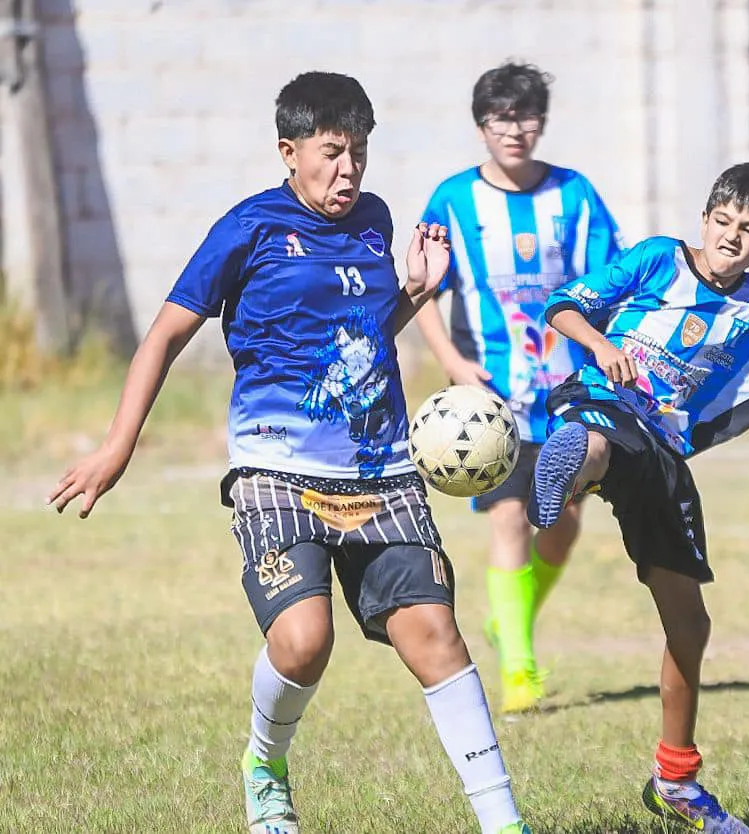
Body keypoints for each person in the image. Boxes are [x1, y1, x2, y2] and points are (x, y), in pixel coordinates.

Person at [47, 71, 532, 834]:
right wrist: (118, 445)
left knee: (436, 636)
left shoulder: (374, 220)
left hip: (380, 471)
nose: (349, 171)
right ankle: (264, 767)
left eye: (360, 153)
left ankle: (506, 823)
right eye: (333, 152)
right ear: (289, 151)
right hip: (276, 467)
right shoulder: (248, 228)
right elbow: (166, 335)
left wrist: (417, 290)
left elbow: (366, 334)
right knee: (304, 642)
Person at [525, 161, 749, 833]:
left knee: (691, 626)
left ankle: (675, 780)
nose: (731, 238)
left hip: (664, 451)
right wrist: (599, 345)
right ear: (705, 217)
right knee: (603, 437)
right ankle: (568, 465)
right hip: (602, 401)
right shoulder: (655, 261)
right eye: (723, 221)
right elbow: (561, 305)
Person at [414, 62, 623, 713]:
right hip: (493, 398)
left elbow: (610, 287)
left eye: (527, 116)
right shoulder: (451, 200)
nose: (516, 129)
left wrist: (605, 352)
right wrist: (451, 358)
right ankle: (520, 670)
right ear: (482, 126)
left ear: (542, 123)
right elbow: (423, 288)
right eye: (502, 117)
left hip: (569, 392)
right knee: (509, 516)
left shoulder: (578, 196)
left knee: (560, 522)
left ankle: (514, 617)